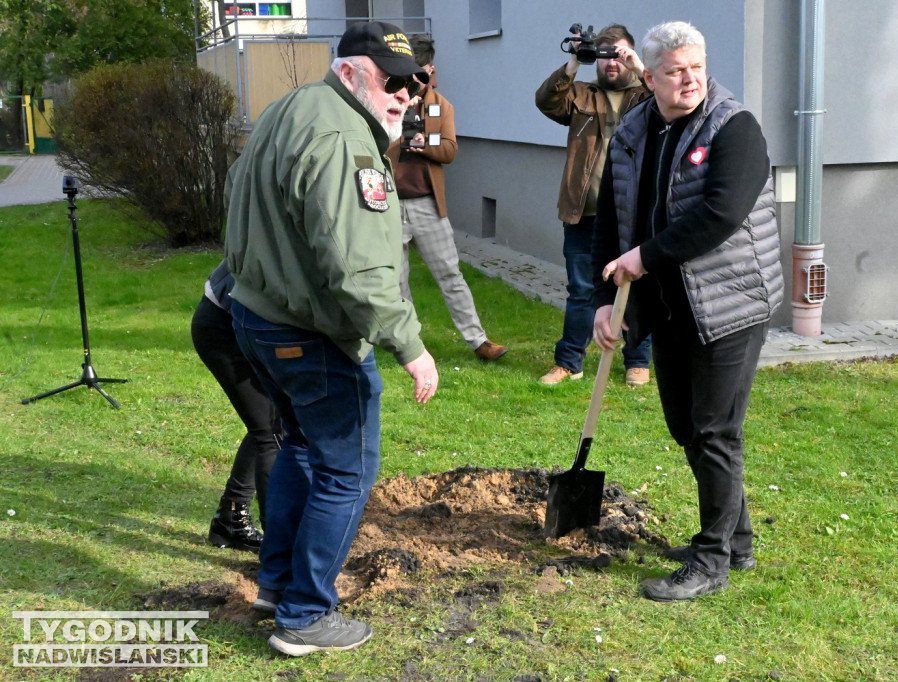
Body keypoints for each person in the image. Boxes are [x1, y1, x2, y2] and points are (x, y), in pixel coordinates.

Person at [222, 22, 439, 656]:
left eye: (412, 82)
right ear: (349, 72)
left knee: (299, 449)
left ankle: (274, 584)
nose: (403, 94)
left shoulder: (291, 105)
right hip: (312, 335)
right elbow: (358, 270)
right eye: (389, 80)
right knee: (347, 470)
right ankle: (306, 615)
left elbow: (237, 191)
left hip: (257, 316)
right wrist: (412, 346)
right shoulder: (346, 141)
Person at [592, 21, 784, 602]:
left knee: (714, 430)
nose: (691, 78)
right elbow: (610, 217)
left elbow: (720, 214)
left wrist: (644, 258)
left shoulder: (735, 127)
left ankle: (711, 560)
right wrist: (607, 300)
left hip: (732, 302)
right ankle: (738, 540)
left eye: (696, 66)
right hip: (670, 307)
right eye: (675, 70)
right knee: (686, 427)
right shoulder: (631, 132)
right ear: (648, 78)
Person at [535, 23, 653, 386]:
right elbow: (547, 101)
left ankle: (637, 360)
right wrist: (574, 62)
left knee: (637, 286)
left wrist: (638, 66)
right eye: (604, 56)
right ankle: (570, 361)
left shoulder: (647, 96)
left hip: (633, 212)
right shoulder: (582, 94)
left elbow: (672, 100)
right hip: (583, 212)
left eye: (618, 55)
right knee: (582, 289)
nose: (611, 63)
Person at [386, 37, 508, 363]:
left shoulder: (442, 105)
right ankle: (408, 346)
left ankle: (479, 341)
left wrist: (426, 142)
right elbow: (376, 147)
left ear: (432, 71)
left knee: (451, 276)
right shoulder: (386, 100)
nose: (415, 81)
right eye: (409, 73)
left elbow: (450, 150)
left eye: (421, 73)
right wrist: (397, 119)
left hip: (427, 203)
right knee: (396, 282)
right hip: (388, 205)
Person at [190, 260, 279, 553]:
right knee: (272, 431)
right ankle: (279, 548)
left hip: (244, 319)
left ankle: (231, 518)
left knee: (272, 425)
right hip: (225, 326)